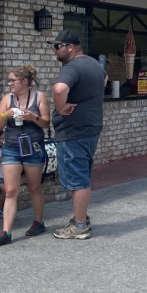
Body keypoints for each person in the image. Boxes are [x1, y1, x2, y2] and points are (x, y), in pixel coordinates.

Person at [49, 30, 107, 240]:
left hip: (73, 131)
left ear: (70, 47)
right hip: (91, 128)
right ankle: (80, 218)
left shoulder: (72, 66)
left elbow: (59, 89)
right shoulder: (94, 64)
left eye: (58, 46)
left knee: (78, 179)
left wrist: (61, 107)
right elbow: (105, 79)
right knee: (82, 174)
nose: (55, 50)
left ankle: (80, 225)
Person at [0, 64, 51, 247]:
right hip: (11, 147)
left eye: (12, 80)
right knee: (10, 191)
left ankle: (38, 222)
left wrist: (32, 117)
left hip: (33, 146)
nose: (9, 84)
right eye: (9, 80)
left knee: (34, 187)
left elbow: (46, 123)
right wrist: (5, 115)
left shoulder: (39, 97)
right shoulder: (7, 99)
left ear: (24, 81)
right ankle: (6, 232)